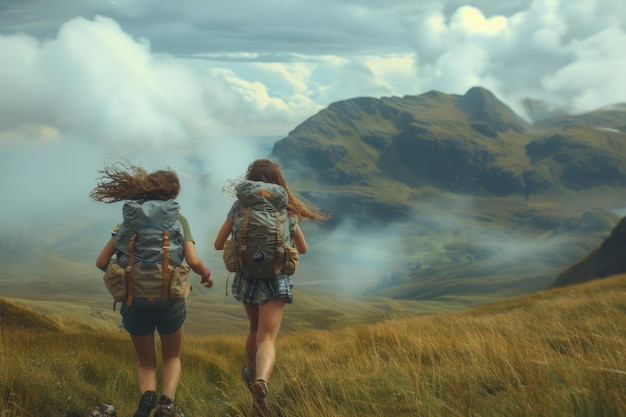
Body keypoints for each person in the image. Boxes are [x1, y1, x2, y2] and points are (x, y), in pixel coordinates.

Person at [91, 162, 213, 417]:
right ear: (173, 195)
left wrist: (130, 277)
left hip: (134, 300)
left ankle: (147, 397)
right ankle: (165, 406)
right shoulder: (178, 220)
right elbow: (192, 260)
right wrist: (206, 275)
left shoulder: (128, 220)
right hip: (170, 299)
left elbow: (101, 262)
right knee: (172, 356)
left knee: (146, 361)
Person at [213, 159, 330, 416]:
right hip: (276, 279)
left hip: (247, 277)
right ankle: (262, 382)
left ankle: (252, 375)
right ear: (277, 182)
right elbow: (303, 248)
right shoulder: (285, 207)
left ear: (250, 181)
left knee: (254, 329)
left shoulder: (239, 206)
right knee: (267, 337)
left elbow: (218, 244)